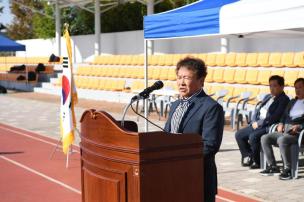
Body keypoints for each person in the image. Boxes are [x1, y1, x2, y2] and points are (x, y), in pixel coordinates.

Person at [164, 57, 224, 202]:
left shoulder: (211, 107)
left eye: (187, 78)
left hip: (197, 176)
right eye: (179, 77)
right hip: (172, 175)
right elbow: (166, 136)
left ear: (201, 81)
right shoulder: (175, 105)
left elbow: (210, 145)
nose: (181, 82)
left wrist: (179, 159)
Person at [235, 75, 290, 169]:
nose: (272, 88)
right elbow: (258, 109)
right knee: (239, 135)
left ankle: (257, 162)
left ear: (282, 87)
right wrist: (253, 121)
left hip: (269, 125)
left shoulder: (284, 99)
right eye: (270, 86)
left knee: (253, 137)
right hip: (258, 123)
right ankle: (249, 155)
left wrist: (259, 123)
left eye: (274, 86)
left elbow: (275, 117)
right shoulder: (268, 97)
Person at [260, 78, 304, 180]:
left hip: (299, 133)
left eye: (300, 87)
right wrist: (280, 123)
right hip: (286, 131)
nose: (297, 90)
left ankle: (288, 169)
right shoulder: (293, 101)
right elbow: (284, 115)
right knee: (265, 138)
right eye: (296, 88)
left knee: (282, 139)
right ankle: (273, 166)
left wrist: (300, 127)